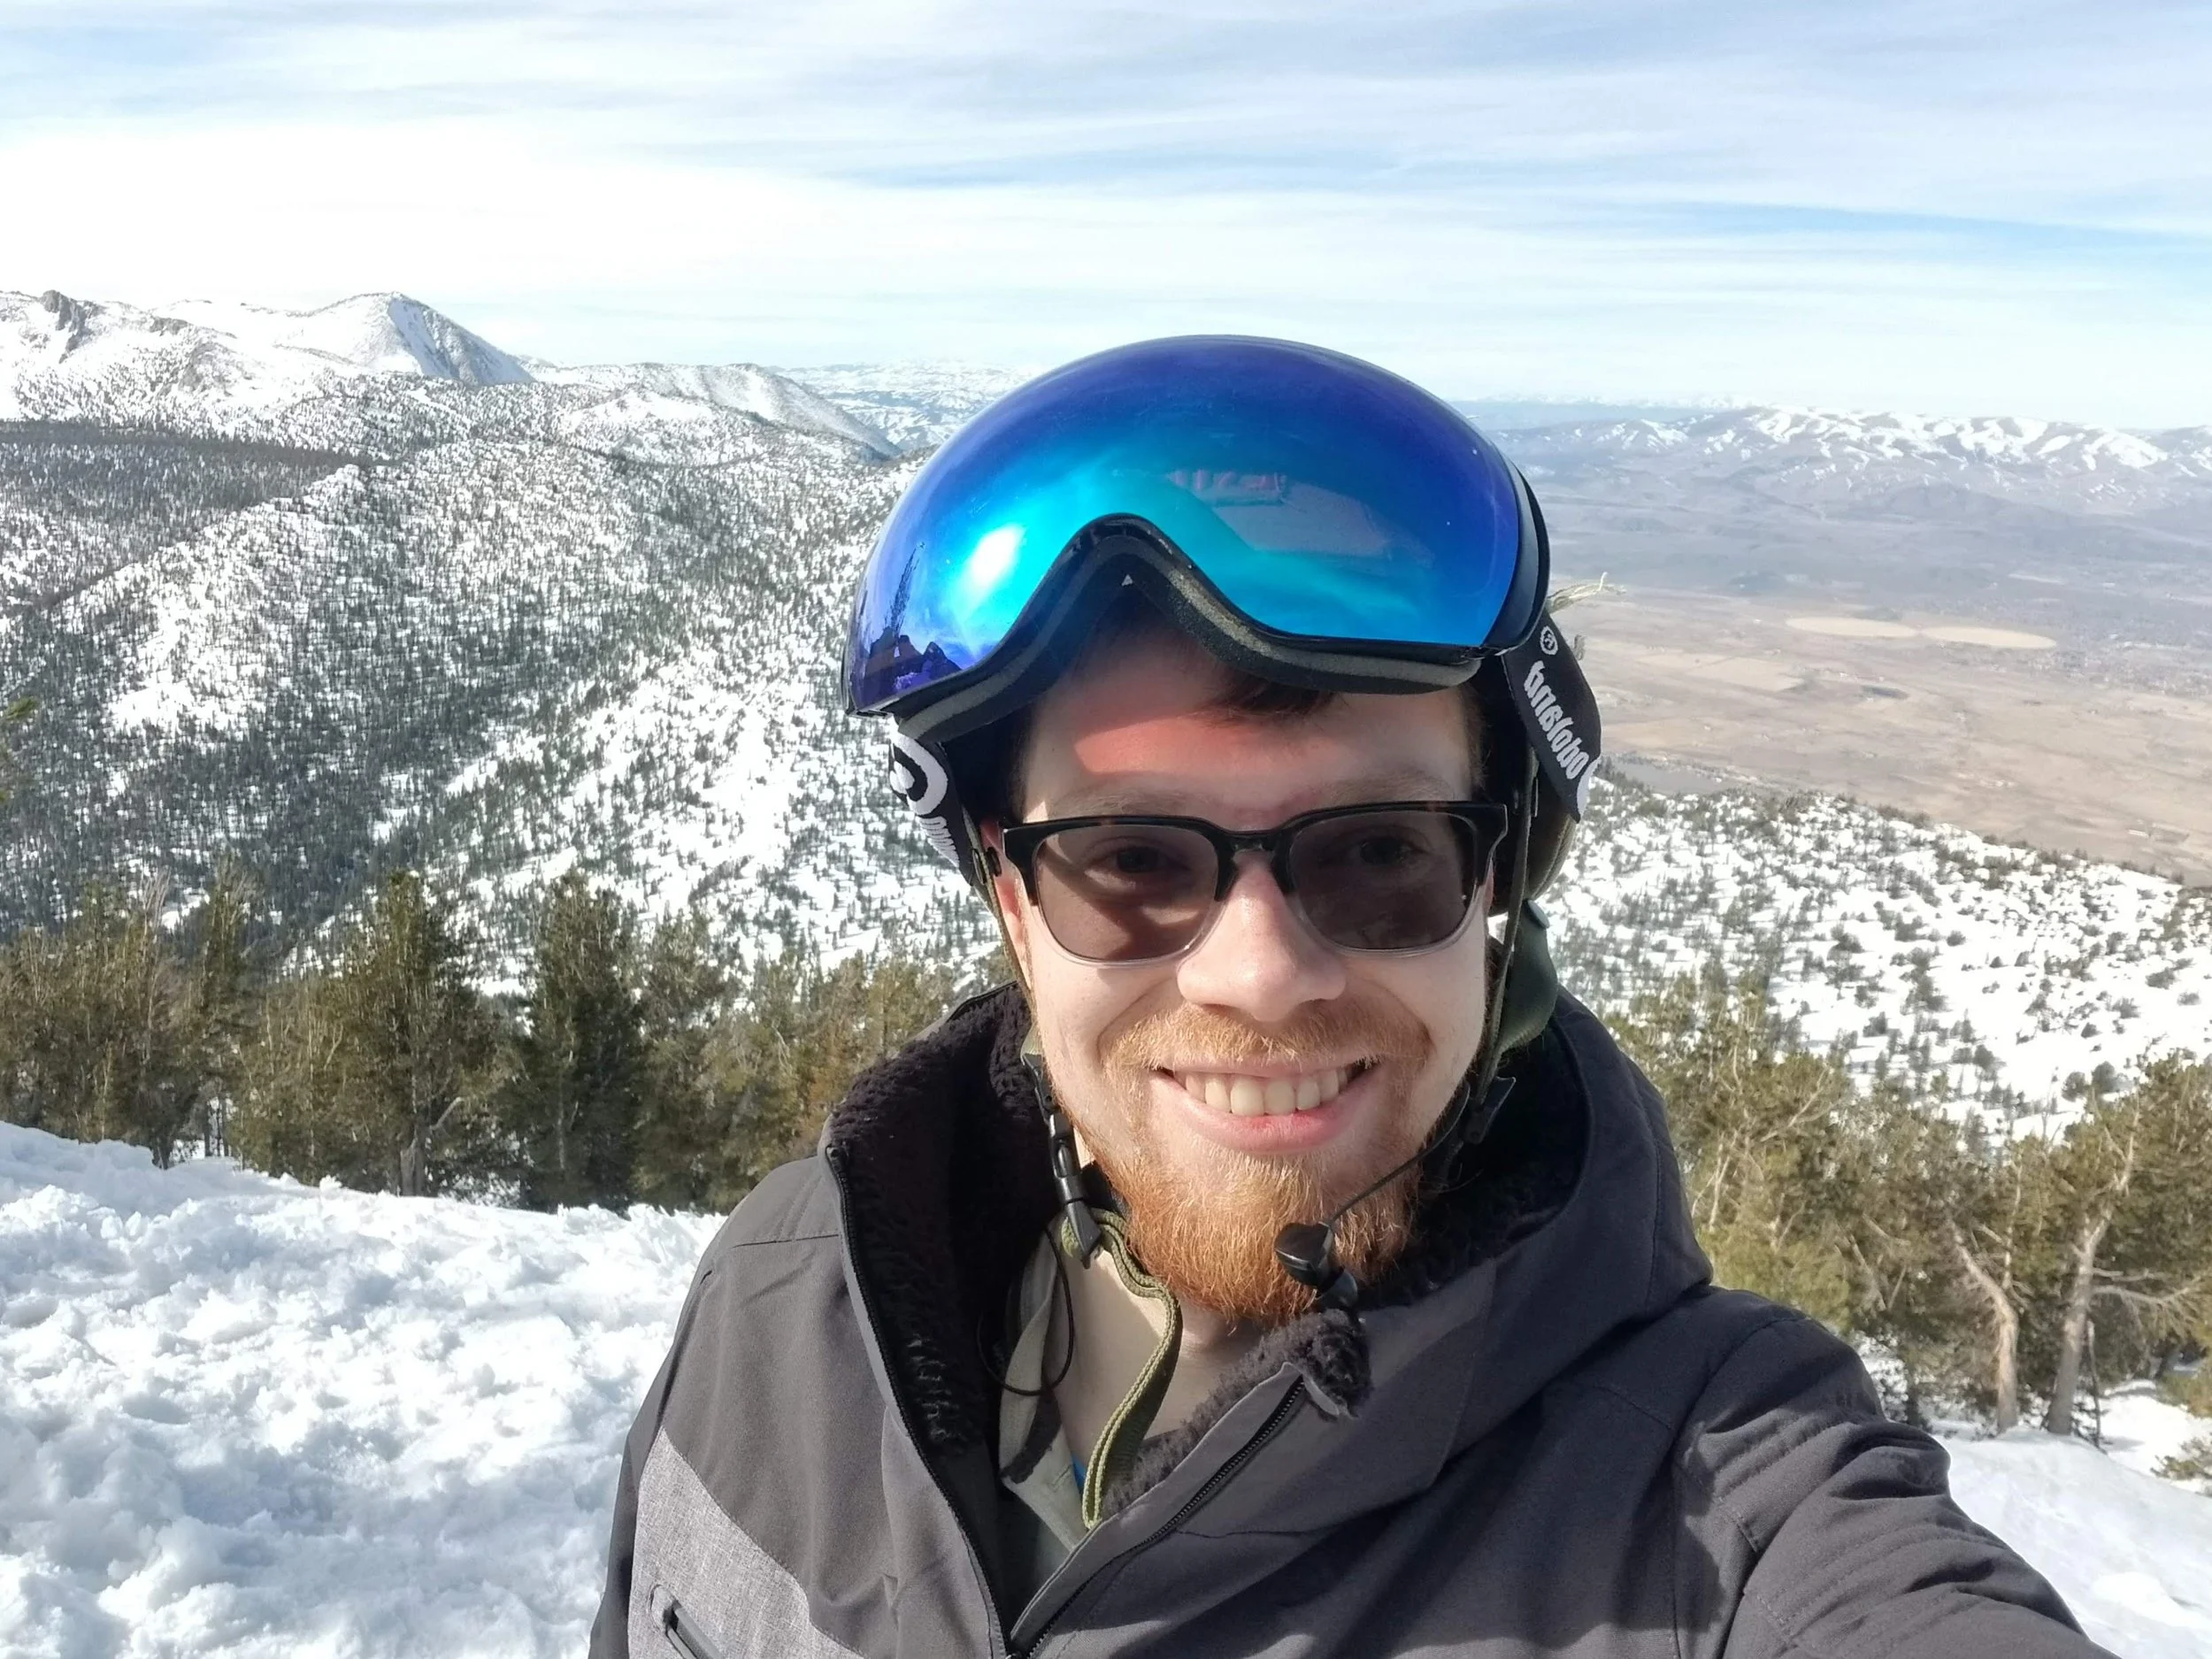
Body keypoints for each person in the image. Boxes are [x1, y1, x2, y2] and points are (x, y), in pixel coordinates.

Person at [591, 337, 2107, 1659]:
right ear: (1010, 896)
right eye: (1131, 859)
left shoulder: (1719, 1497)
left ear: (1496, 883)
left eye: (1380, 854)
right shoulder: (784, 1294)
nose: (1258, 970)